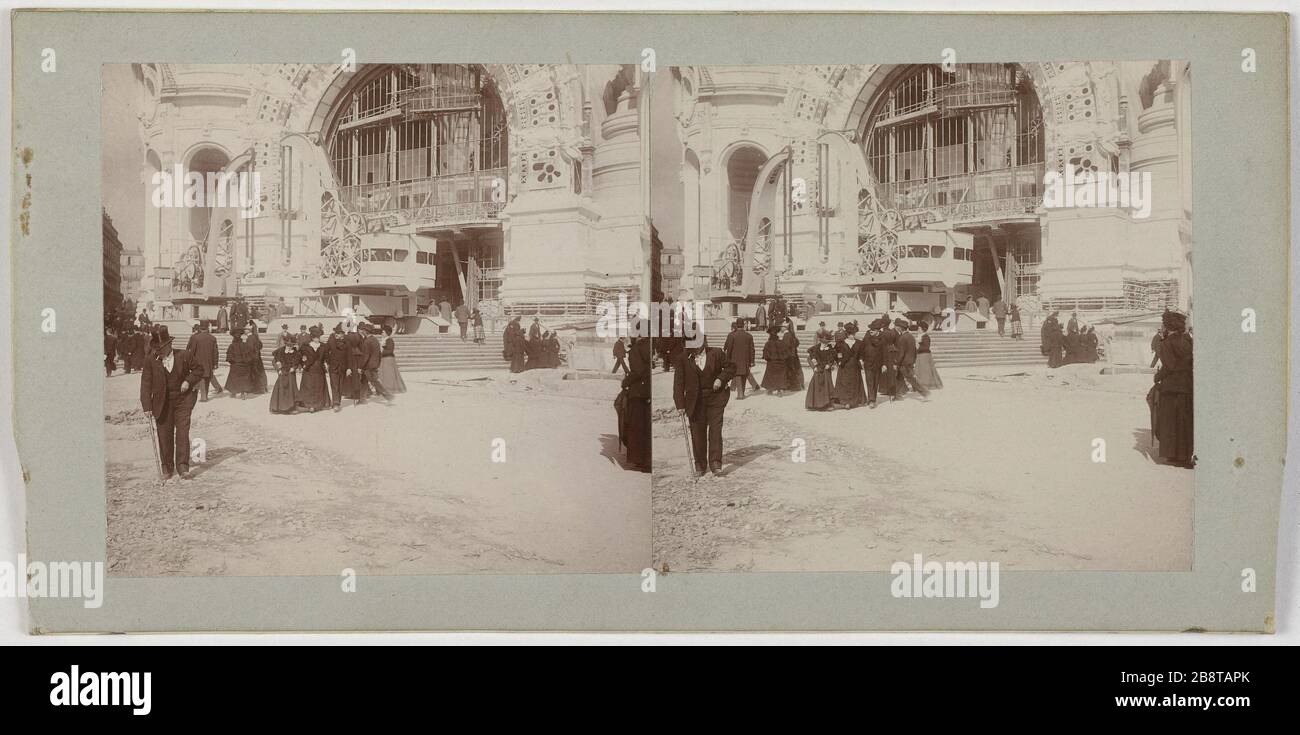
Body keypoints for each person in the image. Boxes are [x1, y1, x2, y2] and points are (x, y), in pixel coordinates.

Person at [139, 326, 202, 480]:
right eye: (156, 349)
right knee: (164, 435)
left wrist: (188, 380)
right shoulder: (150, 360)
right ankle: (167, 467)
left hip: (183, 401)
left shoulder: (184, 355)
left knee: (182, 433)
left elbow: (199, 369)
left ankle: (183, 467)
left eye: (161, 348)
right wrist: (147, 406)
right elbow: (146, 384)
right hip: (162, 403)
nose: (159, 352)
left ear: (169, 345)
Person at [674, 336, 735, 476]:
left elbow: (731, 367)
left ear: (702, 342)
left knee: (715, 430)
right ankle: (700, 465)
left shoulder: (717, 353)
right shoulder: (683, 358)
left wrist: (721, 378)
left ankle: (715, 463)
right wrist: (680, 404)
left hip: (716, 398)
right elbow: (678, 382)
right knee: (697, 432)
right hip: (694, 401)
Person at [1154, 311, 1193, 468]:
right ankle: (1185, 455)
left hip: (1172, 388)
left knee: (1171, 422)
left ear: (1168, 327)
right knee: (1185, 422)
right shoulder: (1187, 341)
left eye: (1163, 325)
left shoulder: (1166, 344)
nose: (1162, 327)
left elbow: (1169, 366)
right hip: (1188, 386)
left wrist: (1157, 377)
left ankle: (1175, 455)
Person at [619, 331, 653, 472]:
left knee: (637, 426)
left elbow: (637, 372)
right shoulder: (649, 345)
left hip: (638, 393)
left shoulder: (636, 350)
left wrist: (625, 382)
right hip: (648, 391)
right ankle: (646, 460)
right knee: (647, 426)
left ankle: (642, 460)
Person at [891, 318, 931, 400]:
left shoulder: (902, 338)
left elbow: (901, 353)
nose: (897, 328)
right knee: (899, 378)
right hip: (910, 361)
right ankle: (897, 395)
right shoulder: (911, 336)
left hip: (904, 363)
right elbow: (914, 350)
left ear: (901, 328)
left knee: (911, 379)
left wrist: (896, 363)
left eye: (898, 327)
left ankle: (925, 393)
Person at [832, 322, 867, 408]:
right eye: (851, 334)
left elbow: (862, 354)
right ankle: (845, 401)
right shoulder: (840, 343)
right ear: (847, 334)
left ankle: (854, 401)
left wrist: (861, 360)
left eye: (854, 334)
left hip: (855, 366)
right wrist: (839, 361)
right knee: (844, 383)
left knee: (854, 383)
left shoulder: (859, 343)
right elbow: (836, 353)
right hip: (844, 365)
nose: (852, 335)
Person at [722, 318, 758, 400]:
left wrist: (727, 360)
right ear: (743, 325)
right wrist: (752, 361)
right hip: (745, 359)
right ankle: (742, 392)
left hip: (734, 359)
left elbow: (729, 348)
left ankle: (740, 394)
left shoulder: (732, 335)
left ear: (736, 325)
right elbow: (752, 350)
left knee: (737, 375)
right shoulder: (749, 336)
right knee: (744, 375)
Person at [359, 324, 393, 404]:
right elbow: (379, 354)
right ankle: (362, 399)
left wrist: (361, 366)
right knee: (364, 381)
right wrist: (377, 364)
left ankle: (387, 395)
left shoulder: (367, 341)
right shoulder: (375, 340)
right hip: (374, 364)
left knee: (374, 381)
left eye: (363, 330)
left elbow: (366, 356)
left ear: (366, 332)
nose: (362, 331)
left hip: (368, 366)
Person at [188, 323, 223, 401]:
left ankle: (203, 396)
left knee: (202, 377)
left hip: (198, 361)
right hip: (208, 361)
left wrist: (190, 361)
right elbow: (215, 352)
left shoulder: (195, 338)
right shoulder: (212, 338)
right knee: (207, 376)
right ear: (207, 328)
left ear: (200, 328)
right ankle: (206, 393)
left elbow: (192, 351)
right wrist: (215, 363)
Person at [805, 332, 837, 411]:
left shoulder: (830, 350)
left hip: (826, 370)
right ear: (820, 341)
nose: (825, 344)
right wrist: (814, 367)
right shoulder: (815, 349)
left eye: (826, 343)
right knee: (816, 386)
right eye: (823, 342)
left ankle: (826, 405)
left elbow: (832, 359)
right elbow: (810, 359)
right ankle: (815, 404)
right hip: (818, 369)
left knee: (827, 386)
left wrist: (829, 365)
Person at [269, 340, 301, 414]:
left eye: (291, 346)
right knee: (281, 389)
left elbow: (297, 362)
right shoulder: (280, 352)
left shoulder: (296, 353)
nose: (289, 347)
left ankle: (290, 408)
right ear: (285, 345)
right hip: (282, 372)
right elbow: (275, 361)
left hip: (290, 373)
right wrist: (278, 369)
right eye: (288, 346)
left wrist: (294, 367)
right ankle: (278, 407)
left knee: (291, 389)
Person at [862, 318, 887, 408]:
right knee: (869, 381)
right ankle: (871, 400)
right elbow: (862, 347)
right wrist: (861, 358)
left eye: (873, 330)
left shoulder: (883, 338)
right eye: (870, 329)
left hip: (878, 363)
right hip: (868, 363)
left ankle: (873, 398)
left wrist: (884, 364)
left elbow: (885, 352)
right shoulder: (867, 335)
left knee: (876, 382)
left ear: (877, 331)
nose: (870, 331)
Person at [324, 324, 349, 412]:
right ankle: (336, 403)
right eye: (336, 333)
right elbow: (326, 352)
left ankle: (338, 401)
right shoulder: (331, 342)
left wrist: (349, 368)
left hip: (343, 367)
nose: (337, 335)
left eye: (339, 333)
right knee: (334, 385)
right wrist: (327, 362)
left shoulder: (347, 343)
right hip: (333, 367)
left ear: (343, 334)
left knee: (340, 385)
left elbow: (349, 356)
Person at [224, 328, 255, 398]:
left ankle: (233, 392)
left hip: (235, 365)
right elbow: (250, 356)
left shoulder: (231, 346)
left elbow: (229, 358)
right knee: (244, 378)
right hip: (244, 365)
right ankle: (243, 392)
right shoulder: (245, 345)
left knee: (233, 377)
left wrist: (234, 362)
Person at [913, 321, 944, 390]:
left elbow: (926, 347)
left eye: (919, 328)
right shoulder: (920, 336)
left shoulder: (926, 336)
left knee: (925, 371)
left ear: (923, 329)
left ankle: (925, 385)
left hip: (925, 355)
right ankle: (919, 385)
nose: (918, 330)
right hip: (920, 355)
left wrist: (917, 348)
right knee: (919, 370)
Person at [760, 327, 789, 396]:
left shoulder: (768, 343)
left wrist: (769, 358)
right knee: (780, 376)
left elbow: (765, 355)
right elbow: (786, 353)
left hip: (772, 362)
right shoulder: (782, 342)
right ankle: (779, 390)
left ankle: (770, 389)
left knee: (770, 375)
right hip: (781, 363)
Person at [378, 324, 407, 393]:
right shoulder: (384, 339)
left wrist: (381, 352)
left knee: (389, 374)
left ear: (386, 333)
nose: (382, 333)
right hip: (384, 359)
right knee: (384, 374)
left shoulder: (389, 340)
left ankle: (390, 388)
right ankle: (384, 388)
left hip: (388, 359)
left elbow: (390, 350)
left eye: (383, 332)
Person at [781, 320, 804, 391]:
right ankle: (798, 385)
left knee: (791, 371)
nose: (781, 328)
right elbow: (797, 343)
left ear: (785, 327)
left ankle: (794, 386)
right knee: (795, 370)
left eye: (782, 327)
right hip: (793, 355)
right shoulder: (791, 334)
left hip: (789, 356)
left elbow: (786, 346)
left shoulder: (786, 335)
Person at [246, 321, 268, 394]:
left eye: (245, 329)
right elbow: (260, 345)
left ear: (248, 330)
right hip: (258, 357)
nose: (244, 331)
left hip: (253, 359)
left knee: (255, 373)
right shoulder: (255, 337)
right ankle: (263, 387)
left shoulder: (250, 338)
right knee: (260, 372)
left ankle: (257, 389)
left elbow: (250, 349)